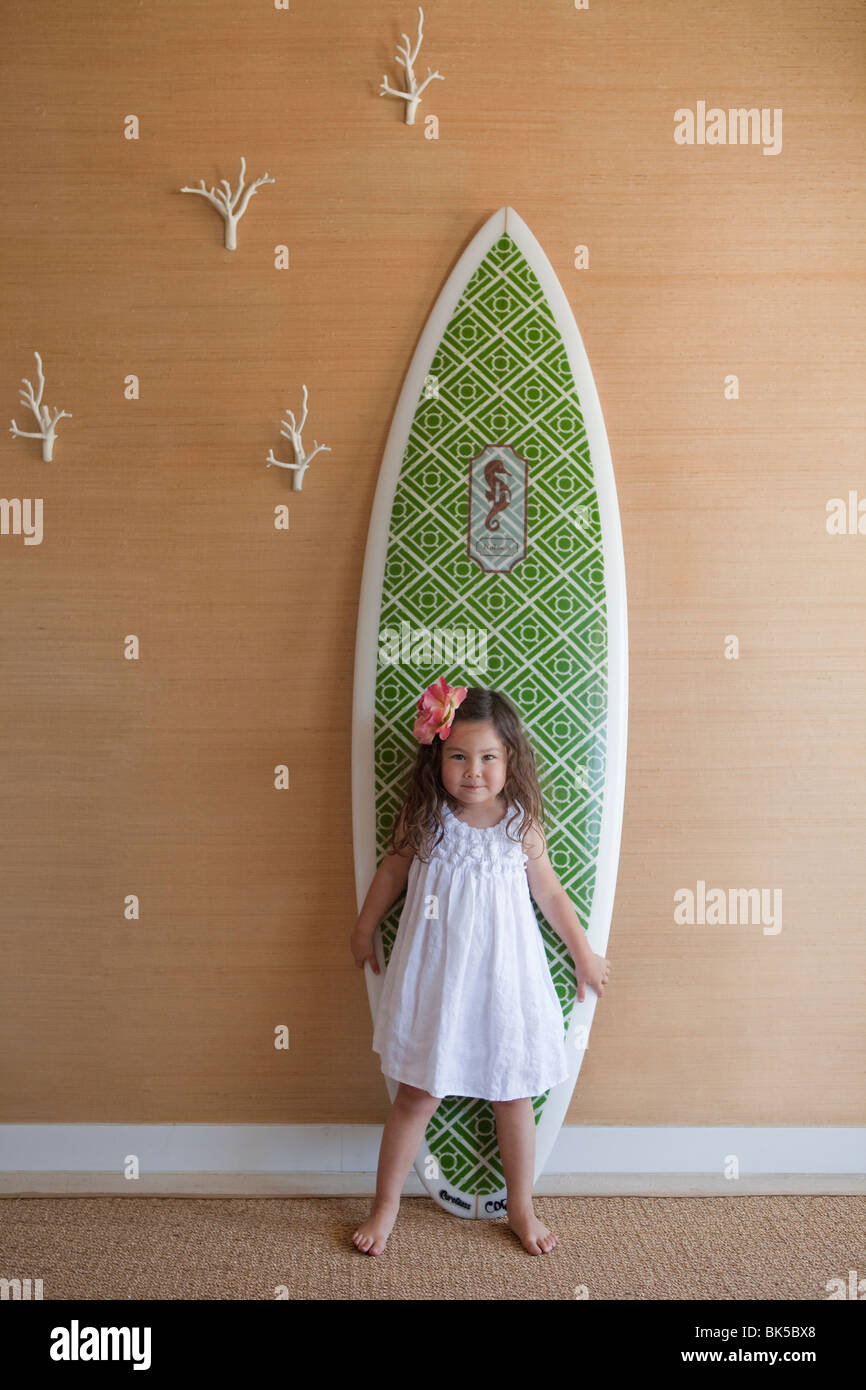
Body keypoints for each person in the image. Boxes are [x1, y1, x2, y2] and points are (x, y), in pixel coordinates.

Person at [349, 677, 611, 1256]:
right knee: (416, 1094)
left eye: (488, 757)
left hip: (502, 984)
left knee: (513, 1094)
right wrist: (366, 926)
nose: (474, 771)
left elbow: (551, 894)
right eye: (459, 756)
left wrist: (583, 953)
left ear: (509, 758)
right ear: (437, 758)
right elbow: (391, 874)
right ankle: (384, 1205)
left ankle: (521, 1207)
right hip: (439, 982)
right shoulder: (427, 818)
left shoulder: (520, 823)